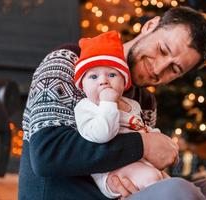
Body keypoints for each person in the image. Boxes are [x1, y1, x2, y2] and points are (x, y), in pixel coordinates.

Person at [19, 6, 206, 200]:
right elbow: (46, 156)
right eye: (162, 50)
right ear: (150, 26)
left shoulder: (146, 101)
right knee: (178, 192)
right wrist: (144, 145)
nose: (159, 69)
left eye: (174, 69)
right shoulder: (71, 62)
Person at [74, 31, 169, 199]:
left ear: (124, 81)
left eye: (112, 74)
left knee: (171, 183)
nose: (103, 81)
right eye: (93, 76)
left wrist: (157, 138)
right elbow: (101, 135)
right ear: (83, 86)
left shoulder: (132, 104)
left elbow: (140, 128)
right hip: (111, 170)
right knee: (152, 179)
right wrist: (108, 104)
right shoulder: (86, 107)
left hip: (139, 162)